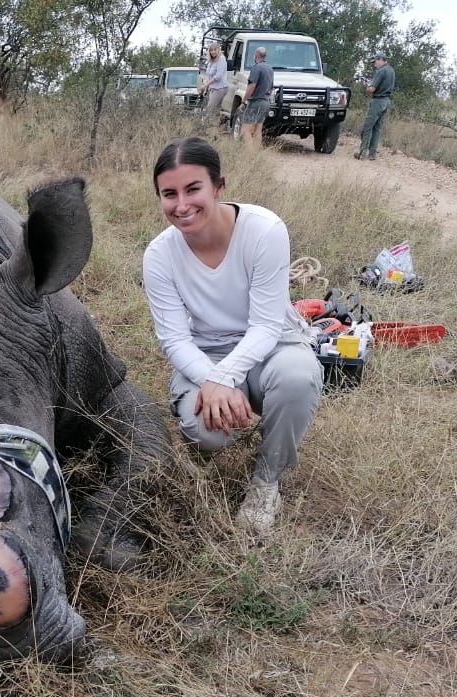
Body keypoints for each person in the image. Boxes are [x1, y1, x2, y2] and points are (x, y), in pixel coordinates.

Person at [142, 137, 323, 537]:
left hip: (273, 342)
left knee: (297, 378)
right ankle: (231, 427)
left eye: (193, 189)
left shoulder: (264, 230)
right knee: (206, 429)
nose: (182, 205)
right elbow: (174, 339)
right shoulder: (159, 255)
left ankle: (266, 481)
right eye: (169, 194)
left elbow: (265, 325)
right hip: (206, 350)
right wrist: (215, 378)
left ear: (218, 187)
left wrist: (223, 380)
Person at [356, 52, 395, 160]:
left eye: (375, 62)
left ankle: (363, 152)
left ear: (380, 60)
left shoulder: (381, 71)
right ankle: (372, 154)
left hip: (377, 101)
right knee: (377, 128)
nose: (374, 65)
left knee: (367, 127)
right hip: (386, 102)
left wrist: (367, 87)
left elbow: (372, 89)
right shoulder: (391, 71)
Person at [239, 47, 274, 145]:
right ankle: (256, 153)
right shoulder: (270, 69)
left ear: (256, 56)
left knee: (245, 130)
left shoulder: (256, 68)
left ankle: (249, 154)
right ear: (265, 56)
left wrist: (243, 101)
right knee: (258, 130)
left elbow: (252, 86)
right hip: (266, 102)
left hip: (256, 102)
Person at [198, 42, 227, 125]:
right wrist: (206, 87)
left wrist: (205, 85)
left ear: (218, 50)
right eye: (211, 50)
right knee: (215, 111)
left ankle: (203, 127)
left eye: (215, 50)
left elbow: (218, 76)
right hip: (212, 88)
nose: (213, 52)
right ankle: (214, 130)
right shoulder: (211, 61)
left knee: (210, 110)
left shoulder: (221, 59)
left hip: (220, 88)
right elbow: (209, 75)